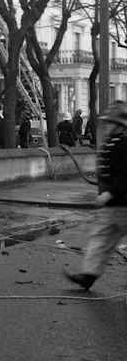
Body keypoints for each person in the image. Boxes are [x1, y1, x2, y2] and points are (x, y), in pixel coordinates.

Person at [64, 103, 127, 290]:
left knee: (101, 239)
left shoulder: (124, 144)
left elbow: (126, 175)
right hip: (111, 206)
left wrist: (110, 193)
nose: (106, 126)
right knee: (100, 240)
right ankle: (89, 275)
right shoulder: (111, 142)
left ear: (119, 125)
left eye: (110, 123)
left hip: (123, 203)